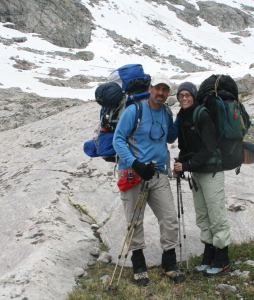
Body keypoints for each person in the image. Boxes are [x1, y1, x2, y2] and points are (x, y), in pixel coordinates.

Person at [113, 73, 185, 285]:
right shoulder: (133, 111)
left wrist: (180, 118)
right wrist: (135, 163)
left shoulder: (166, 111)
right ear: (150, 88)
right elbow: (118, 139)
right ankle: (139, 264)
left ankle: (169, 262)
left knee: (170, 217)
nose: (161, 93)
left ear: (168, 92)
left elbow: (169, 137)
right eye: (158, 88)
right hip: (133, 173)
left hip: (158, 173)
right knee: (135, 220)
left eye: (165, 90)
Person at [173, 81, 232, 276]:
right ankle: (208, 256)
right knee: (202, 215)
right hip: (197, 172)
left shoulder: (203, 114)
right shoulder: (182, 116)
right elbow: (184, 147)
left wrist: (187, 166)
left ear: (194, 96)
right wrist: (180, 166)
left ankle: (222, 258)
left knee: (216, 214)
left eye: (187, 95)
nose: (184, 98)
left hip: (211, 172)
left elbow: (208, 148)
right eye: (181, 95)